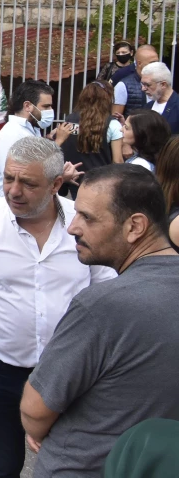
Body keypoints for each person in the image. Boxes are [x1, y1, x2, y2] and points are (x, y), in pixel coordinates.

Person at [0, 137, 114, 478]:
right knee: (0, 466)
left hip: (72, 374)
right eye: (8, 178)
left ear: (56, 185)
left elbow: (108, 294)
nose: (13, 191)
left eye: (27, 183)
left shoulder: (85, 224)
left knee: (74, 467)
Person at [20, 164, 179, 476]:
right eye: (76, 213)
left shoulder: (101, 306)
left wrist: (37, 429)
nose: (72, 227)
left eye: (88, 217)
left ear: (135, 226)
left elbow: (35, 410)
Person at [60, 81, 125, 197]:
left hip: (73, 181)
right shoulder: (112, 124)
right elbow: (118, 161)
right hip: (100, 184)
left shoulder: (69, 120)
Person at [0, 79, 55, 197]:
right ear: (27, 106)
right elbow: (19, 175)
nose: (50, 111)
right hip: (13, 202)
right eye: (46, 107)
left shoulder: (32, 129)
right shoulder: (13, 134)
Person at [112, 44, 158, 118]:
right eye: (152, 63)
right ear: (139, 63)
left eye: (157, 62)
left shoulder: (161, 82)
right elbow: (115, 119)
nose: (156, 65)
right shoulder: (123, 86)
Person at [139, 61, 179, 133]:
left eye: (147, 85)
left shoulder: (177, 106)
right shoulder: (147, 107)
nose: (143, 88)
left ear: (163, 84)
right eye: (142, 84)